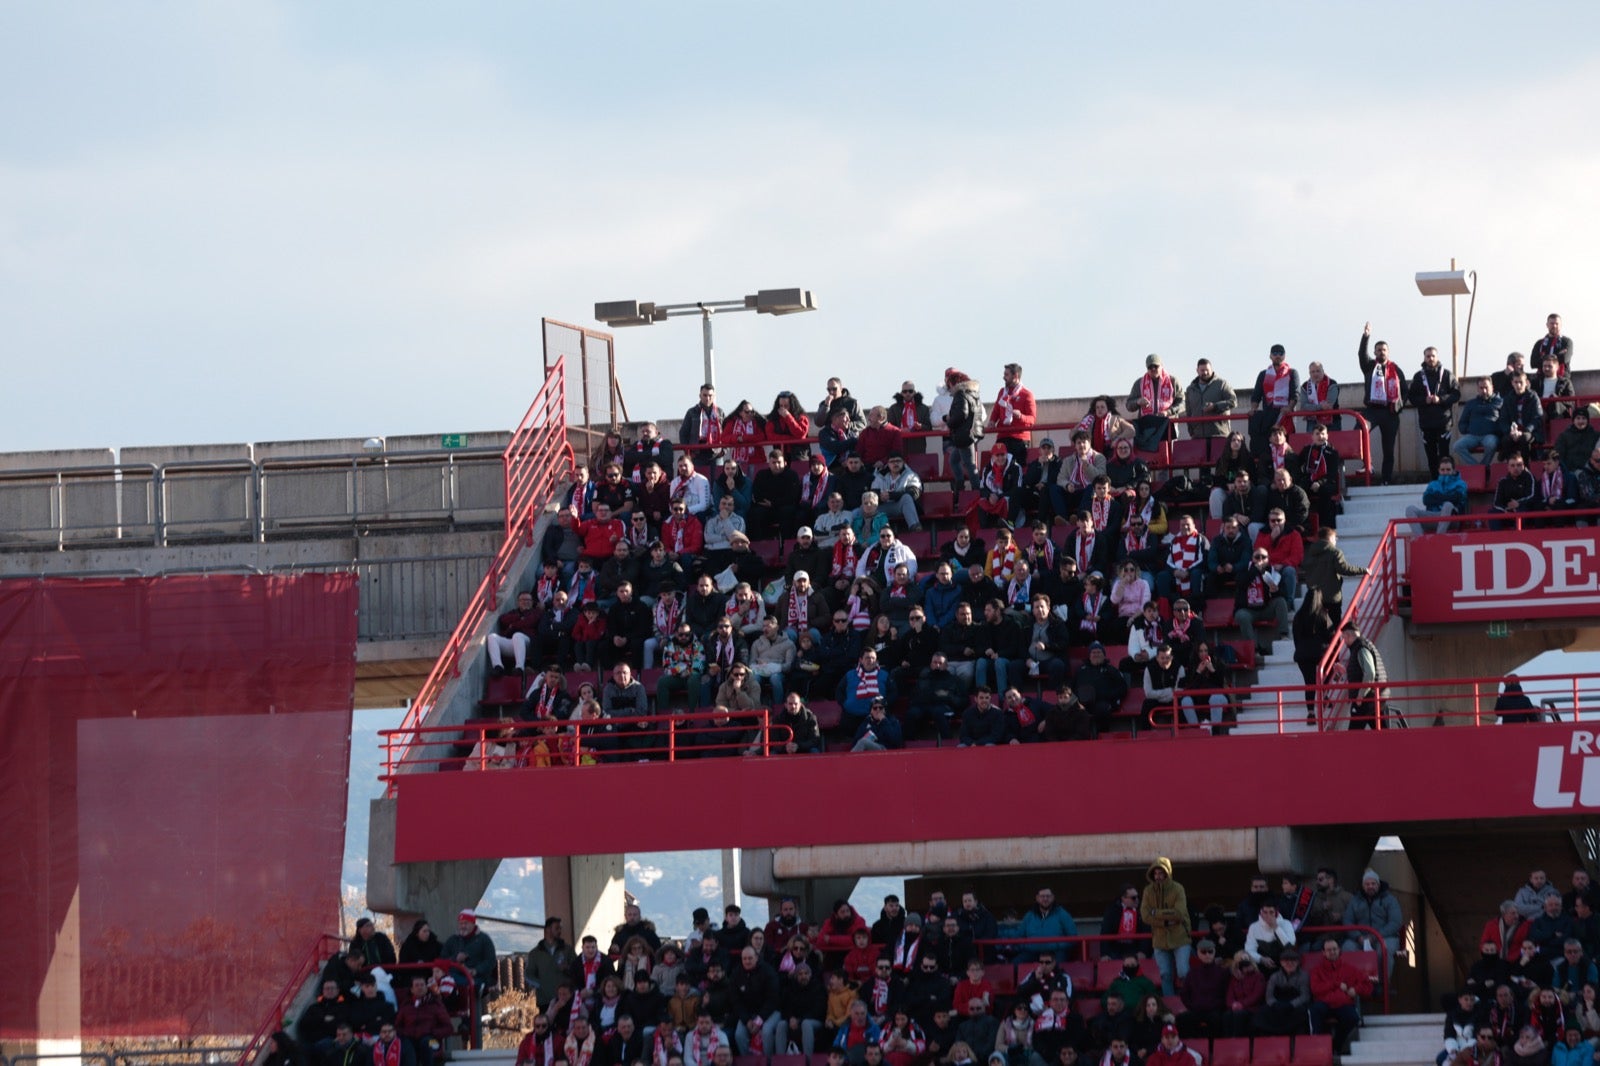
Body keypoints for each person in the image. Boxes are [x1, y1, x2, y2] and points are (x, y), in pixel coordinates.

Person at [1357, 323, 1406, 484]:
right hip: (1372, 410)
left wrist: (1398, 407)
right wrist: (1366, 336)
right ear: (1374, 352)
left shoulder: (1396, 369)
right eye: (1378, 350)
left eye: (1384, 350)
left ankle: (1386, 479)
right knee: (1359, 432)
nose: (1381, 352)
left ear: (1388, 352)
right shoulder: (1370, 366)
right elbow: (1361, 354)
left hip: (1390, 412)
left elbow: (1405, 392)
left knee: (1389, 449)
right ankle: (1368, 465)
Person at [1141, 857, 1191, 997]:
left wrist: (1156, 912)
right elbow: (1145, 916)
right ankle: (1170, 1002)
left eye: (1161, 873)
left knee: (1183, 972)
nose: (1158, 876)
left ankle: (1188, 998)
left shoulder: (1178, 888)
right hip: (1159, 940)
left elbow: (1179, 913)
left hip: (1180, 937)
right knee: (1164, 975)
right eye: (1156, 873)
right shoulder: (1148, 891)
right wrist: (1164, 922)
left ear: (1168, 873)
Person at [1308, 939, 1370, 1053]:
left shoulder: (1350, 969)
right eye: (1329, 950)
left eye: (1334, 949)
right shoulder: (1316, 970)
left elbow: (1368, 985)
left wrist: (1355, 990)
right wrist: (1335, 984)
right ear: (1323, 953)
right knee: (1315, 1011)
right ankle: (1319, 1046)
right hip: (1324, 1003)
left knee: (1353, 1018)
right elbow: (1315, 989)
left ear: (1339, 950)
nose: (1332, 952)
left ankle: (1336, 1044)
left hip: (1343, 1003)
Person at [1344, 869, 1404, 975]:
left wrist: (1375, 936)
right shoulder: (1355, 900)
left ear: (1378, 884)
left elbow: (1395, 922)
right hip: (1361, 938)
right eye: (1367, 884)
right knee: (1347, 947)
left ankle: (1382, 985)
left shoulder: (1390, 900)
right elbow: (1348, 920)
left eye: (1373, 883)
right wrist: (1358, 937)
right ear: (1363, 886)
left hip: (1385, 937)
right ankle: (1354, 983)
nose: (1370, 886)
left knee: (1384, 950)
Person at [1233, 547, 1288, 661]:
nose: (1260, 559)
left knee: (1281, 602)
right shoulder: (1245, 569)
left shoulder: (1272, 572)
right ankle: (1255, 649)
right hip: (1249, 609)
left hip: (1265, 608)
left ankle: (1284, 635)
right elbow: (1240, 583)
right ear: (1252, 559)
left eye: (1263, 557)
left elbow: (1284, 593)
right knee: (1241, 616)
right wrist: (1255, 570)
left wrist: (1276, 591)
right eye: (1257, 557)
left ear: (1268, 559)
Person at [1249, 344, 1299, 458]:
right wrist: (1253, 409)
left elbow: (1295, 394)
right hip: (1268, 418)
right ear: (1270, 356)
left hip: (1285, 416)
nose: (1278, 356)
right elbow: (1256, 395)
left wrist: (1289, 408)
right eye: (1275, 353)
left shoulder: (1292, 373)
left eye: (1280, 353)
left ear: (1284, 356)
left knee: (1286, 451)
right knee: (1268, 451)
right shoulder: (1264, 374)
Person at [1127, 354, 1183, 450]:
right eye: (1150, 367)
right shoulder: (1139, 383)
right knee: (1150, 458)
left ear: (1162, 365)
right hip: (1147, 430)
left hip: (1168, 427)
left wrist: (1168, 412)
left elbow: (1183, 403)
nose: (1153, 369)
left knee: (1170, 455)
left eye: (1156, 366)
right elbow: (1128, 405)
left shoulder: (1173, 381)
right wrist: (1138, 402)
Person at [1340, 624, 1389, 731]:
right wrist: (1345, 671)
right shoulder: (1364, 645)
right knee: (1383, 732)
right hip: (1375, 696)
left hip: (1366, 699)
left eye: (1343, 637)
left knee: (1353, 736)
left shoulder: (1360, 648)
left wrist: (1360, 696)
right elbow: (1363, 672)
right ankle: (1396, 747)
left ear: (1348, 635)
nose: (1343, 641)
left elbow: (1370, 673)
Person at [987, 363, 1037, 464]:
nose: (1003, 377)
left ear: (1016, 376)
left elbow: (1032, 419)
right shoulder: (1002, 392)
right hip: (1002, 437)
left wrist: (1020, 416)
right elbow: (996, 410)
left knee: (1015, 467)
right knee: (996, 466)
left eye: (1006, 375)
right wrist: (992, 421)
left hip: (1019, 439)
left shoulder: (1027, 395)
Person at [1407, 456, 1470, 533]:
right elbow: (1426, 500)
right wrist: (1447, 497)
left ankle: (1438, 539)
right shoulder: (1433, 484)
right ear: (1439, 471)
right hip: (1433, 516)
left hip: (1452, 519)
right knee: (1410, 509)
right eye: (1443, 470)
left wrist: (1436, 496)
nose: (1445, 472)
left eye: (1448, 470)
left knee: (1448, 505)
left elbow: (1457, 498)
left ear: (1453, 470)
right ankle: (1420, 540)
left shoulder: (1461, 484)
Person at [1453, 378, 1505, 467]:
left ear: (1492, 387)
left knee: (1491, 444)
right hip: (1473, 435)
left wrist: (1496, 430)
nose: (1484, 391)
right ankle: (1479, 468)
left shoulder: (1500, 402)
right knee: (1457, 446)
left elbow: (1505, 420)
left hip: (1491, 435)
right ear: (1477, 389)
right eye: (1481, 388)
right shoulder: (1470, 404)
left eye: (1486, 387)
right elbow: (1462, 422)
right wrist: (1468, 429)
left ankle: (1483, 467)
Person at [1184, 358, 1236, 439]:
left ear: (1212, 370)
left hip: (1219, 435)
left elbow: (1233, 401)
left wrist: (1215, 406)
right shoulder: (1190, 389)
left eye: (1207, 370)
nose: (1205, 372)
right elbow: (1189, 412)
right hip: (1198, 437)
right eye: (1202, 370)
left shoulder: (1222, 384)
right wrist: (1191, 432)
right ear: (1197, 370)